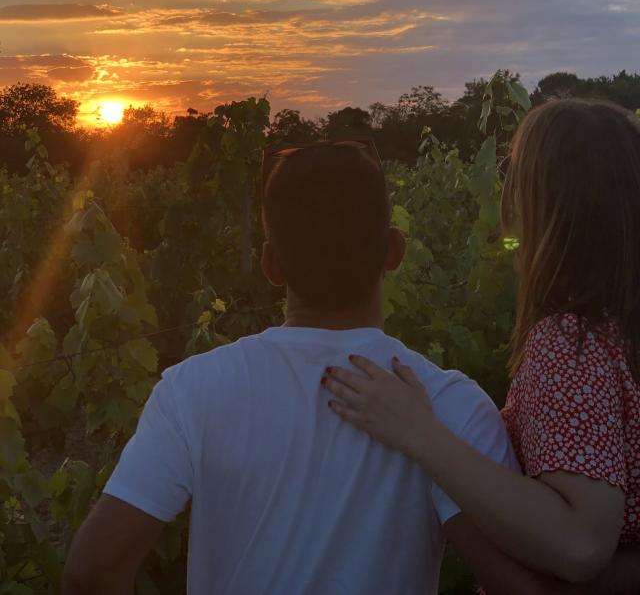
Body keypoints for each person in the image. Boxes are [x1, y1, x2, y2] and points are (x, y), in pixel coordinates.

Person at [63, 138, 520, 595]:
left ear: (271, 264)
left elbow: (93, 569)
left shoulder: (194, 389)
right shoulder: (450, 406)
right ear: (394, 251)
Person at [322, 100, 640, 593]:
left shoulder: (572, 342)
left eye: (516, 182)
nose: (505, 199)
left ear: (543, 208)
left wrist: (421, 436)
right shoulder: (620, 329)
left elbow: (581, 544)